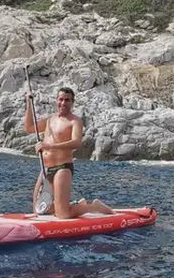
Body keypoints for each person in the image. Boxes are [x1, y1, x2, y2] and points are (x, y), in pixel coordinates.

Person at [24, 85, 113, 219]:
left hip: (62, 168)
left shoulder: (75, 121)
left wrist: (49, 146)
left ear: (72, 102)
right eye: (61, 99)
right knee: (39, 210)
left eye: (67, 100)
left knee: (63, 215)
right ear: (56, 100)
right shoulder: (50, 120)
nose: (63, 103)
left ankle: (93, 206)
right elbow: (29, 127)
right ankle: (73, 204)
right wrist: (29, 103)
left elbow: (77, 142)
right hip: (46, 168)